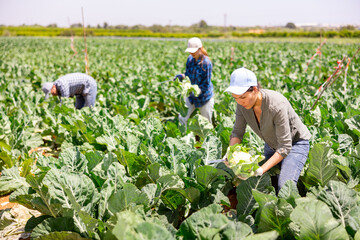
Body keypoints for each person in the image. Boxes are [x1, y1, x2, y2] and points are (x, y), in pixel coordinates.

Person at [225, 67, 311, 191]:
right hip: (271, 144)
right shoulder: (242, 106)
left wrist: (261, 169)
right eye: (235, 98)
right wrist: (230, 153)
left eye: (242, 97)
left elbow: (285, 147)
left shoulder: (276, 105)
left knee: (284, 187)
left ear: (254, 89)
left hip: (295, 143)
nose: (239, 102)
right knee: (265, 183)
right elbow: (237, 132)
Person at [174, 37, 214, 126]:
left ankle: (206, 139)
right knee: (182, 118)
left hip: (204, 98)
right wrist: (181, 76)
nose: (191, 53)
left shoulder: (206, 63)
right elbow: (188, 74)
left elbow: (206, 84)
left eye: (194, 51)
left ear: (200, 49)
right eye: (190, 51)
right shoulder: (190, 59)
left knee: (206, 123)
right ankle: (183, 138)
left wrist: (194, 91)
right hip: (191, 96)